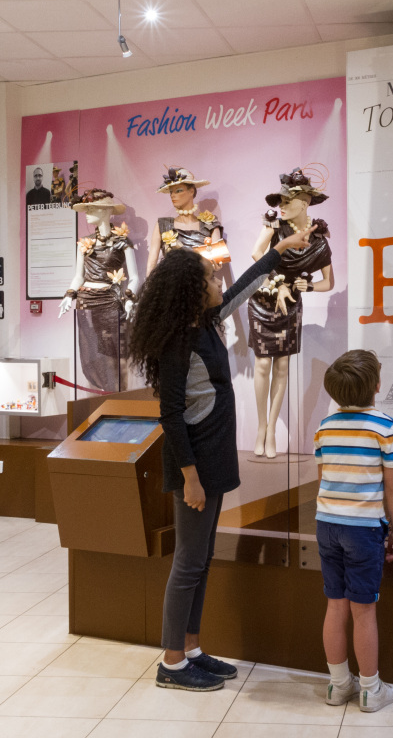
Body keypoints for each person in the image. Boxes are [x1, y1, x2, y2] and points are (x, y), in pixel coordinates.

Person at [129, 223, 316, 692]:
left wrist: (280, 250)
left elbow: (243, 286)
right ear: (192, 292)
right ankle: (171, 663)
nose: (219, 284)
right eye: (211, 280)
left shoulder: (206, 323)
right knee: (189, 561)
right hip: (193, 463)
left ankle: (191, 648)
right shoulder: (178, 342)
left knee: (203, 557)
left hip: (211, 456)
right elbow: (171, 416)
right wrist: (189, 478)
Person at [314, 349, 393, 713]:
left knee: (335, 606)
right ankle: (370, 689)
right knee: (363, 611)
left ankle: (338, 686)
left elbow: (323, 478)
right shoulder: (385, 427)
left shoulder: (325, 426)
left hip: (327, 524)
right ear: (377, 386)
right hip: (363, 529)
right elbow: (392, 485)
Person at [248, 167, 334, 457]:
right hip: (263, 300)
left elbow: (328, 282)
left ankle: (272, 429)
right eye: (280, 202)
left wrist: (307, 288)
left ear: (305, 203)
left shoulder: (319, 239)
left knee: (282, 367)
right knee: (262, 365)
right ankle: (261, 427)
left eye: (287, 202)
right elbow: (256, 254)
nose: (281, 207)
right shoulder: (273, 225)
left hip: (291, 305)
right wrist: (276, 281)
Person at [58, 189, 139, 393]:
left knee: (115, 352)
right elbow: (79, 276)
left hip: (112, 301)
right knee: (91, 353)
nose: (86, 213)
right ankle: (102, 394)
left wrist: (129, 298)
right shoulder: (84, 244)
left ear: (105, 211)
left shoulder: (123, 242)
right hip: (85, 302)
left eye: (91, 208)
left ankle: (118, 395)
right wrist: (69, 294)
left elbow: (135, 277)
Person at [146, 167, 222, 275]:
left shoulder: (211, 225)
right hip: (172, 287)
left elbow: (217, 263)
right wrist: (149, 289)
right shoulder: (163, 225)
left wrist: (215, 262)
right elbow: (151, 266)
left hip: (202, 286)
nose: (173, 195)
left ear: (191, 191)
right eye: (171, 192)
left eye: (178, 190)